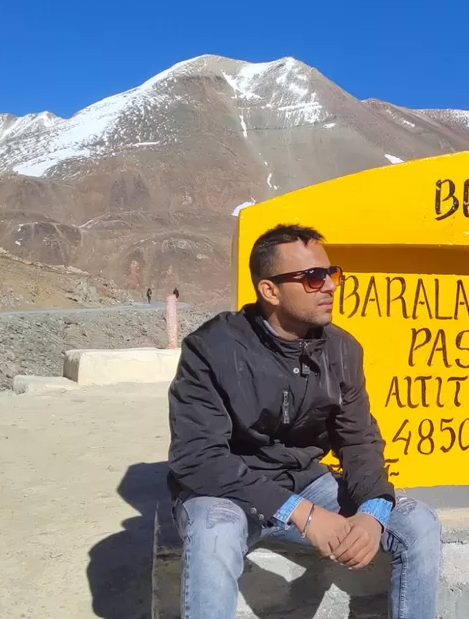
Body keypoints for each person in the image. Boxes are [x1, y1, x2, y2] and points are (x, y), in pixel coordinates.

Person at [166, 223, 441, 619]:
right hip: (225, 492)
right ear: (270, 290)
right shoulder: (211, 349)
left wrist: (372, 512)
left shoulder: (342, 350)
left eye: (331, 274)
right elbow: (198, 458)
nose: (330, 286)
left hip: (307, 484)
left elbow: (360, 440)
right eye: (313, 278)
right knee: (214, 532)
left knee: (418, 521)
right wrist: (303, 515)